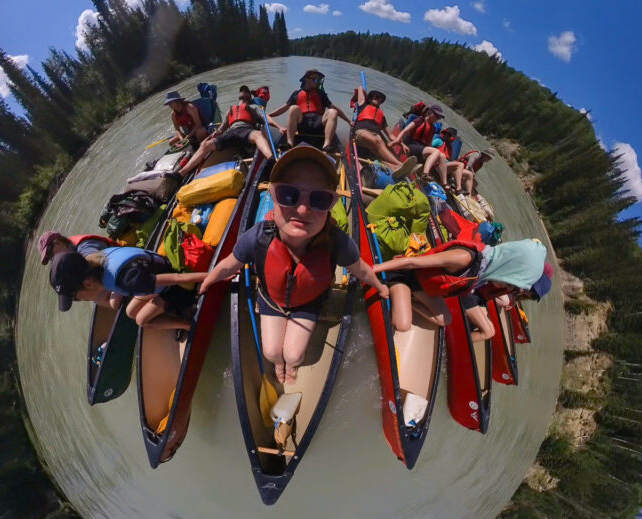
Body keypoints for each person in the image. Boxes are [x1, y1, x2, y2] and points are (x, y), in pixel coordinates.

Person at [200, 145, 388, 385]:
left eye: (319, 199)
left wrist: (380, 288)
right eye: (289, 195)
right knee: (272, 353)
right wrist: (208, 280)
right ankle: (279, 365)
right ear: (272, 196)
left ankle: (289, 364)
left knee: (294, 354)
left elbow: (359, 269)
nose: (302, 210)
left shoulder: (336, 242)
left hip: (309, 302)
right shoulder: (258, 236)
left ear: (331, 204)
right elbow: (229, 264)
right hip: (271, 298)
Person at [372, 238, 548, 334]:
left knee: (445, 320)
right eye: (510, 282)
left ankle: (405, 301)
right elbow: (411, 263)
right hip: (404, 276)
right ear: (507, 267)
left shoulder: (486, 273)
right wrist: (373, 270)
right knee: (402, 325)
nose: (507, 288)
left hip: (422, 289)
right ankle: (395, 292)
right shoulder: (465, 258)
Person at [49, 247, 208, 331]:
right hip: (152, 275)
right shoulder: (99, 259)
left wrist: (210, 276)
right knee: (130, 312)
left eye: (76, 297)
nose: (80, 301)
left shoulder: (124, 281)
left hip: (174, 288)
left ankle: (188, 325)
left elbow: (175, 279)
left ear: (88, 283)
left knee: (142, 320)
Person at [174, 85, 283, 178]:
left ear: (249, 96)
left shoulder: (252, 107)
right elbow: (221, 129)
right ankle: (181, 174)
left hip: (247, 131)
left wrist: (279, 126)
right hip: (230, 133)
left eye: (246, 91)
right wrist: (210, 137)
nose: (243, 92)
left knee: (258, 134)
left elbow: (265, 118)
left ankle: (271, 161)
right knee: (205, 145)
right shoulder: (230, 109)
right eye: (241, 91)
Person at [268, 69, 351, 154]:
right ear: (307, 79)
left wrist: (348, 120)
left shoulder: (321, 94)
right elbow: (283, 108)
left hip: (318, 123)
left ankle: (326, 146)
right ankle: (290, 143)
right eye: (315, 79)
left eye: (318, 80)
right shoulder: (296, 94)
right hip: (302, 123)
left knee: (333, 111)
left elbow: (334, 107)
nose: (318, 82)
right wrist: (270, 115)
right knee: (293, 108)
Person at [350, 87, 417, 179]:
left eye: (381, 99)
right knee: (379, 140)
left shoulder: (382, 116)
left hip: (372, 140)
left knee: (381, 157)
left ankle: (395, 168)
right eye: (377, 97)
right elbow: (360, 88)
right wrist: (365, 95)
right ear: (369, 98)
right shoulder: (363, 105)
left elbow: (390, 135)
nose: (379, 99)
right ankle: (400, 164)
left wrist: (402, 144)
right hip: (360, 134)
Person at [394, 104, 450, 187]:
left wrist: (434, 158)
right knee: (437, 151)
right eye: (436, 115)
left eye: (439, 117)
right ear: (429, 112)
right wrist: (398, 141)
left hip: (421, 150)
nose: (437, 118)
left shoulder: (433, 128)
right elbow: (404, 131)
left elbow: (429, 145)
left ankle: (445, 184)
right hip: (412, 146)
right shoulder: (419, 120)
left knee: (442, 156)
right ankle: (425, 174)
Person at [37, 231, 113, 264]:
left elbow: (95, 259)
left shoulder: (83, 246)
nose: (52, 259)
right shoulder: (71, 250)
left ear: (58, 243)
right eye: (49, 258)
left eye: (50, 253)